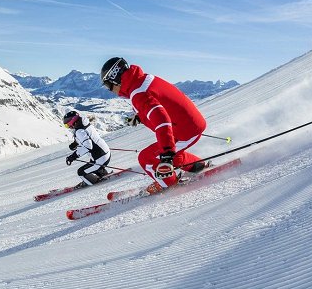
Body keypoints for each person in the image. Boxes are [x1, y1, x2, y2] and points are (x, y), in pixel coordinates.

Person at [100, 57, 207, 194]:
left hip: (185, 131)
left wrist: (166, 154)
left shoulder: (138, 94)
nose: (110, 91)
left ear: (115, 78)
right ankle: (199, 166)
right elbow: (161, 102)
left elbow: (162, 121)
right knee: (176, 157)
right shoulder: (144, 80)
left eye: (108, 86)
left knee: (146, 158)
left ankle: (168, 185)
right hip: (190, 123)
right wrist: (141, 115)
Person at [63, 111, 111, 188]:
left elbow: (88, 146)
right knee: (92, 165)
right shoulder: (85, 124)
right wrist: (75, 143)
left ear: (73, 121)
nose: (68, 126)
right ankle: (104, 175)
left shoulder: (79, 130)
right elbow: (88, 138)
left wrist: (73, 156)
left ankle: (92, 183)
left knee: (81, 172)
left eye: (67, 123)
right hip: (104, 153)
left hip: (100, 158)